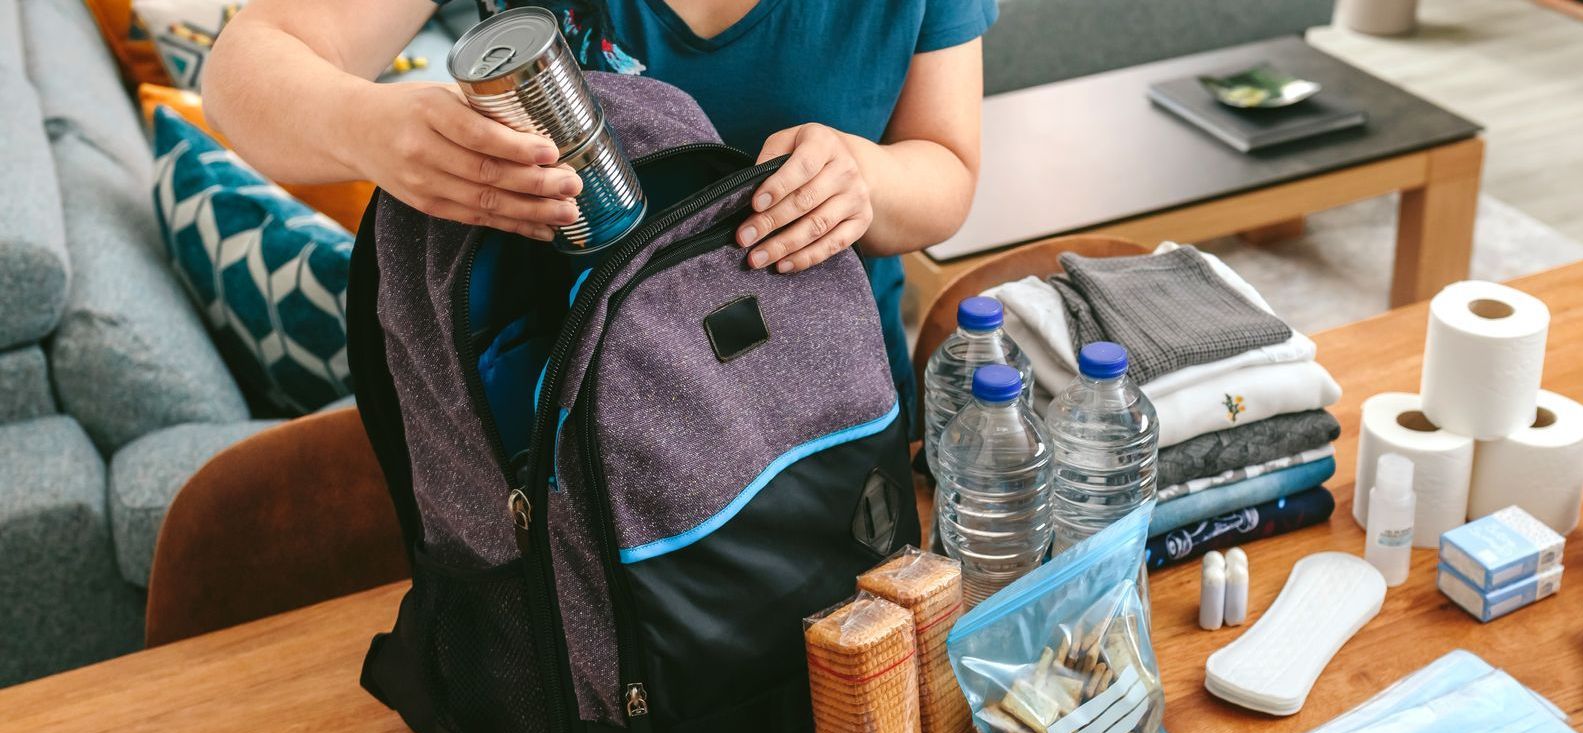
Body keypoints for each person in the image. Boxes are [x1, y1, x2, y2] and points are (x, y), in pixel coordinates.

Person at [202, 0, 995, 422]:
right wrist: (368, 127)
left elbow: (946, 169)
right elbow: (244, 66)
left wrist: (865, 178)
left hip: (834, 426)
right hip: (575, 451)